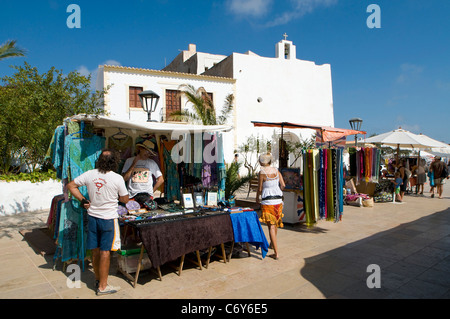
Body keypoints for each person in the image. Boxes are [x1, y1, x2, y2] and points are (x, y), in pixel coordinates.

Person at [67, 149, 129, 295]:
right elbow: (125, 199)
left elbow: (71, 185)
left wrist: (83, 200)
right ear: (115, 161)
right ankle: (103, 286)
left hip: (93, 217)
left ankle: (97, 279)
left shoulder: (90, 174)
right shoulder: (117, 178)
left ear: (99, 160)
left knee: (95, 251)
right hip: (108, 220)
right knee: (105, 252)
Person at [256, 153, 285, 260]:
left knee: (271, 226)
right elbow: (283, 185)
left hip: (268, 201)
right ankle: (272, 244)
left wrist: (257, 198)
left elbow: (259, 189)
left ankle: (276, 253)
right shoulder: (276, 171)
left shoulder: (262, 173)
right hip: (278, 201)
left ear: (261, 162)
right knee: (275, 223)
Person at [122, 139, 164, 206]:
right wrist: (134, 163)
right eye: (147, 151)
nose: (148, 154)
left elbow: (161, 179)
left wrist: (151, 192)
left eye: (150, 153)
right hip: (132, 195)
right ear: (141, 149)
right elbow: (124, 178)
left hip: (147, 195)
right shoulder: (129, 161)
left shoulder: (151, 163)